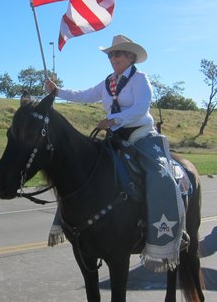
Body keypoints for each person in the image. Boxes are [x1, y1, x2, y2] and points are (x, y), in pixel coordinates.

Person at [44, 34, 187, 272]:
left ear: (130, 57)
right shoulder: (108, 82)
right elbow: (84, 95)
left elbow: (142, 107)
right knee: (84, 171)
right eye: (110, 54)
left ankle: (169, 235)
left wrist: (113, 119)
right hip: (115, 137)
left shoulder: (140, 79)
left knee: (159, 174)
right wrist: (57, 92)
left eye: (117, 54)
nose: (112, 58)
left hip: (140, 135)